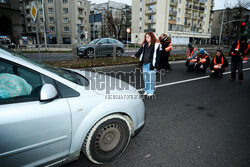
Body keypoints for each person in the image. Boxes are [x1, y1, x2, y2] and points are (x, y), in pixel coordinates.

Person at [131, 32, 161, 97]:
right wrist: (136, 55)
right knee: (146, 78)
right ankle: (146, 90)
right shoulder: (145, 45)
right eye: (146, 37)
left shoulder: (156, 45)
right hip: (145, 64)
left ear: (152, 37)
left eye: (148, 37)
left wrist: (156, 66)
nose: (146, 38)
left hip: (151, 65)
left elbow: (158, 57)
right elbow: (140, 51)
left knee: (151, 79)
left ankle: (151, 91)